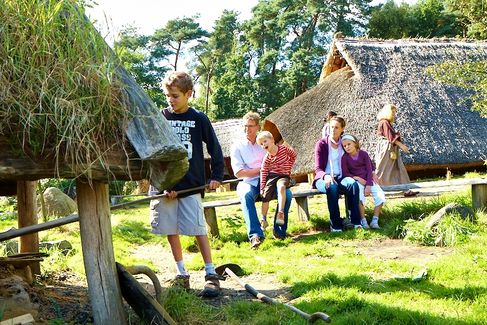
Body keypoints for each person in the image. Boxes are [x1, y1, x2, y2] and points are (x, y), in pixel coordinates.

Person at [148, 71, 224, 297]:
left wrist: (216, 175)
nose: (170, 100)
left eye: (175, 96)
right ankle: (182, 274)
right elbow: (152, 153)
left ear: (188, 94)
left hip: (191, 184)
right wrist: (162, 187)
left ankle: (210, 273)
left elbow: (215, 148)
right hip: (165, 185)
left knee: (198, 229)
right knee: (171, 229)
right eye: (167, 95)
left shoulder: (199, 119)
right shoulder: (161, 118)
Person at [230, 112, 292, 248]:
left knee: (287, 194)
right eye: (245, 126)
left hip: (271, 179)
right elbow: (239, 173)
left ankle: (279, 231)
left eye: (251, 126)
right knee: (246, 195)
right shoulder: (237, 146)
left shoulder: (265, 141)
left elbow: (279, 159)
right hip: (248, 181)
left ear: (258, 127)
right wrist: (262, 169)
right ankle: (256, 235)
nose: (247, 129)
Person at [313, 116, 361, 231]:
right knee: (332, 187)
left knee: (353, 184)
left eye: (336, 127)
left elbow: (359, 155)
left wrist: (372, 171)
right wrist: (326, 176)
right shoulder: (322, 144)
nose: (333, 129)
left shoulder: (345, 143)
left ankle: (355, 222)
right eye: (331, 127)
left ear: (342, 129)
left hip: (341, 176)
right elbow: (318, 169)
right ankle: (335, 225)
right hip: (324, 178)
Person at [341, 134, 385, 229]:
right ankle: (363, 221)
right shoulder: (344, 158)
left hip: (368, 180)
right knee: (359, 197)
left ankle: (374, 221)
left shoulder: (363, 154)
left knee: (380, 195)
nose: (347, 147)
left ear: (355, 143)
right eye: (344, 146)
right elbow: (345, 173)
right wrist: (356, 178)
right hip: (357, 182)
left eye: (349, 144)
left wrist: (368, 185)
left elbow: (369, 170)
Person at [374, 104, 417, 197]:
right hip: (386, 149)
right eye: (392, 112)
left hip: (390, 148)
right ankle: (374, 188)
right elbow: (390, 136)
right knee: (383, 169)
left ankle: (406, 189)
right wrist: (402, 146)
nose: (394, 114)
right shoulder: (384, 122)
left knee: (397, 168)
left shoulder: (387, 123)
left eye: (394, 112)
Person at [256, 131, 297, 227]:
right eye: (261, 144)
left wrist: (288, 166)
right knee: (265, 195)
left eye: (265, 141)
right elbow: (264, 172)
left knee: (281, 186)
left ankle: (281, 212)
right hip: (272, 176)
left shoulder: (283, 149)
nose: (263, 145)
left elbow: (293, 155)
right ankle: (263, 218)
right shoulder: (267, 158)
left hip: (283, 176)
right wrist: (262, 187)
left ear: (272, 140)